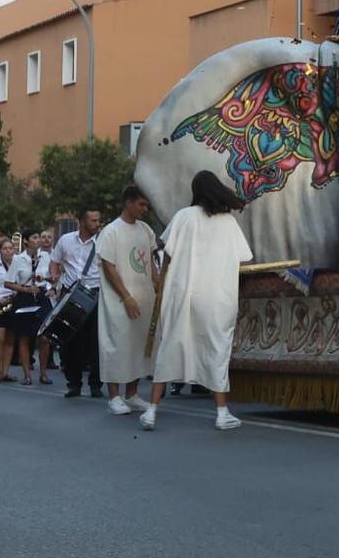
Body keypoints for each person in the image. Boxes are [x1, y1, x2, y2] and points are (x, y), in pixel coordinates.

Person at [142, 171, 253, 432]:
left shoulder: (182, 217)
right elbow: (242, 258)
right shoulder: (227, 222)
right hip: (216, 296)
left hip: (182, 294)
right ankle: (222, 413)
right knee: (216, 349)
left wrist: (162, 283)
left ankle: (151, 411)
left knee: (170, 347)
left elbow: (167, 254)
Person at [97, 185, 161, 416]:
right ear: (128, 202)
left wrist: (157, 282)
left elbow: (151, 262)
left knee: (137, 345)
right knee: (117, 345)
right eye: (142, 204)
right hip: (119, 300)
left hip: (144, 298)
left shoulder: (145, 230)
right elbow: (108, 266)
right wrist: (126, 297)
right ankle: (114, 396)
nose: (145, 209)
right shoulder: (111, 231)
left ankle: (132, 394)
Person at [52, 207, 104, 398]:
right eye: (93, 220)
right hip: (70, 293)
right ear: (81, 221)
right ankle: (73, 383)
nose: (97, 224)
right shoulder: (65, 240)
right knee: (69, 340)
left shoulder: (102, 242)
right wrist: (55, 274)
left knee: (95, 341)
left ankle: (96, 385)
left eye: (98, 220)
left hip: (94, 293)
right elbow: (55, 261)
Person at [0, 235, 34, 383]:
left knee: (10, 341)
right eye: (5, 248)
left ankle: (5, 372)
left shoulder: (21, 266)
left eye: (11, 248)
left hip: (14, 304)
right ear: (0, 251)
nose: (8, 251)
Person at [29, 229, 57, 385]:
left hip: (44, 294)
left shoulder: (49, 256)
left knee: (45, 335)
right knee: (27, 335)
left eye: (48, 237)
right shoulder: (21, 258)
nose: (45, 240)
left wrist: (51, 285)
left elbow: (54, 276)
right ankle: (27, 370)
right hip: (28, 294)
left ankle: (44, 371)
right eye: (41, 237)